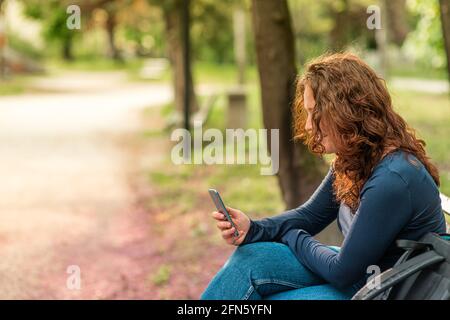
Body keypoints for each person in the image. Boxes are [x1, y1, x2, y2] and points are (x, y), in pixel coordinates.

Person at [200, 52, 446, 300]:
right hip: (361, 275)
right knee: (249, 259)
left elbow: (341, 272)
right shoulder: (355, 157)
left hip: (385, 289)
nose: (308, 125)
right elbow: (310, 216)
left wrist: (292, 236)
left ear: (346, 111)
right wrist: (253, 229)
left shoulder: (392, 178)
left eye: (314, 112)